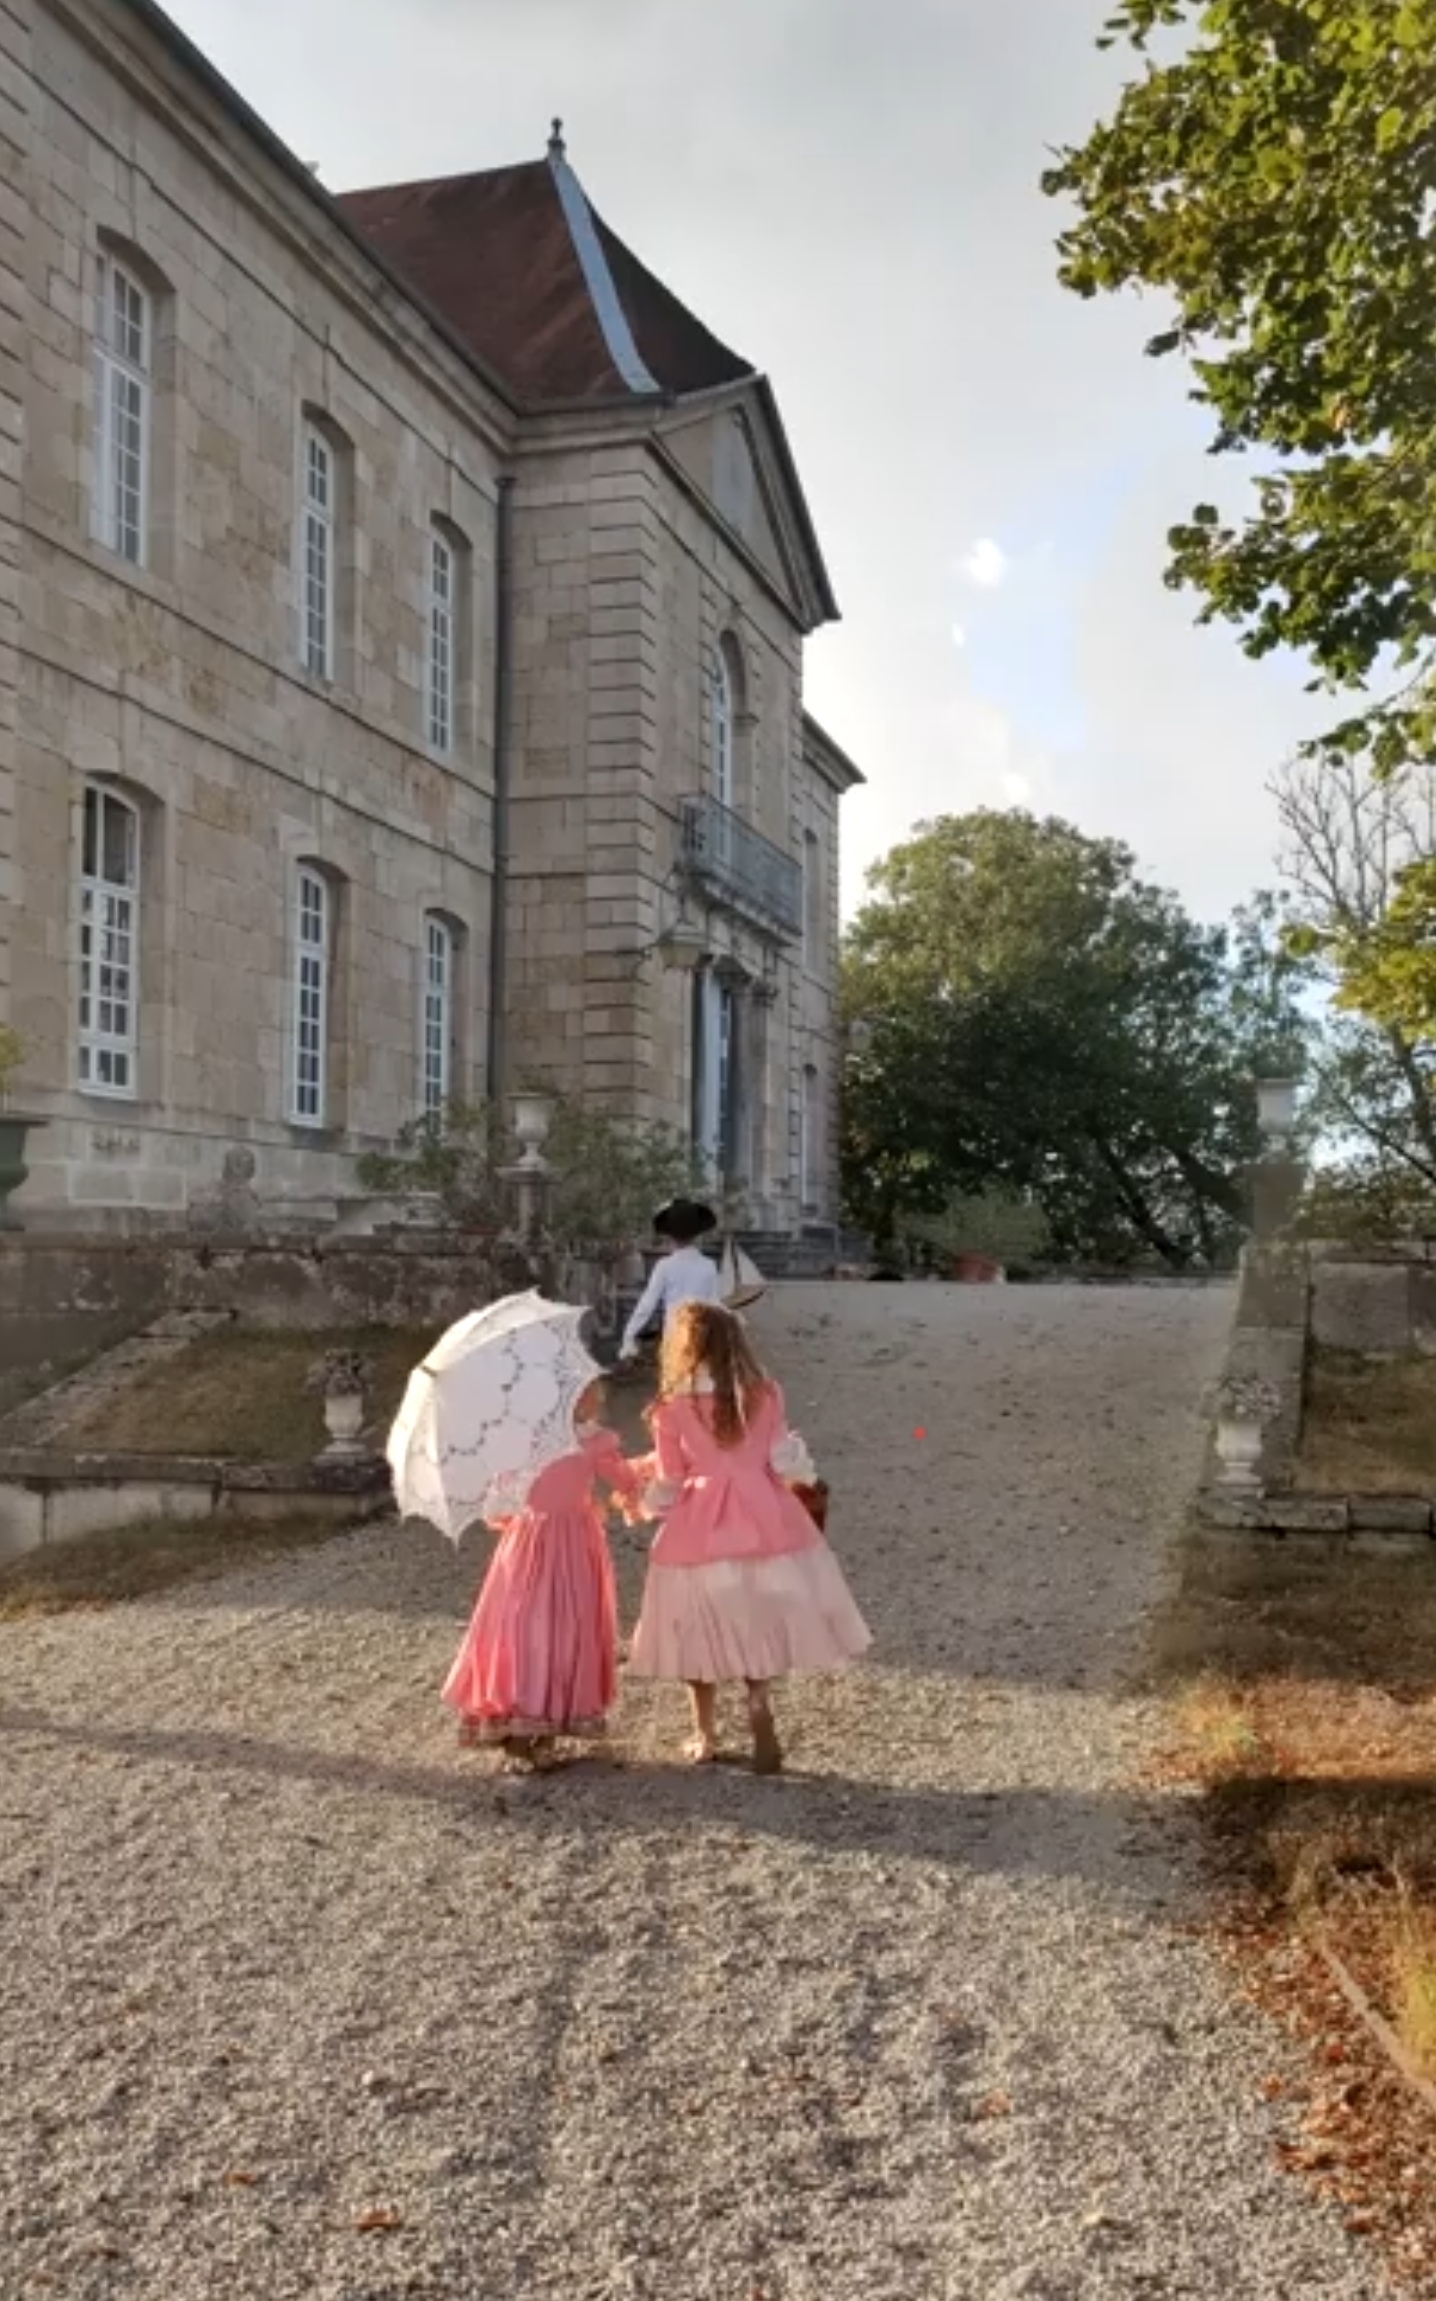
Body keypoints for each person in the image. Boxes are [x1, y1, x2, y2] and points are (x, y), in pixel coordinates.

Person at [627, 1301, 870, 1773]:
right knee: (754, 1619)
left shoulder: (671, 1407)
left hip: (700, 1525)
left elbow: (672, 1478)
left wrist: (645, 1504)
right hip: (764, 1516)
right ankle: (758, 1701)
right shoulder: (765, 1393)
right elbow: (784, 1459)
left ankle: (705, 1733)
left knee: (696, 1626)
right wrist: (808, 1478)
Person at [442, 1379, 641, 1769]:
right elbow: (626, 1482)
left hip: (527, 1540)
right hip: (572, 1542)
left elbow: (503, 1497)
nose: (598, 1401)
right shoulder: (592, 1440)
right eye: (593, 1395)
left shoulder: (523, 1439)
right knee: (567, 1624)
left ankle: (517, 1713)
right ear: (579, 1400)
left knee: (521, 1622)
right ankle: (547, 1731)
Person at [616, 1197, 723, 1365]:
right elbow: (715, 1304)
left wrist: (629, 1335)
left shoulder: (664, 1266)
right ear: (696, 1234)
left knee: (674, 1387)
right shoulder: (709, 1266)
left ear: (670, 1236)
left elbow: (647, 1304)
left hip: (674, 1338)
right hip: (702, 1338)